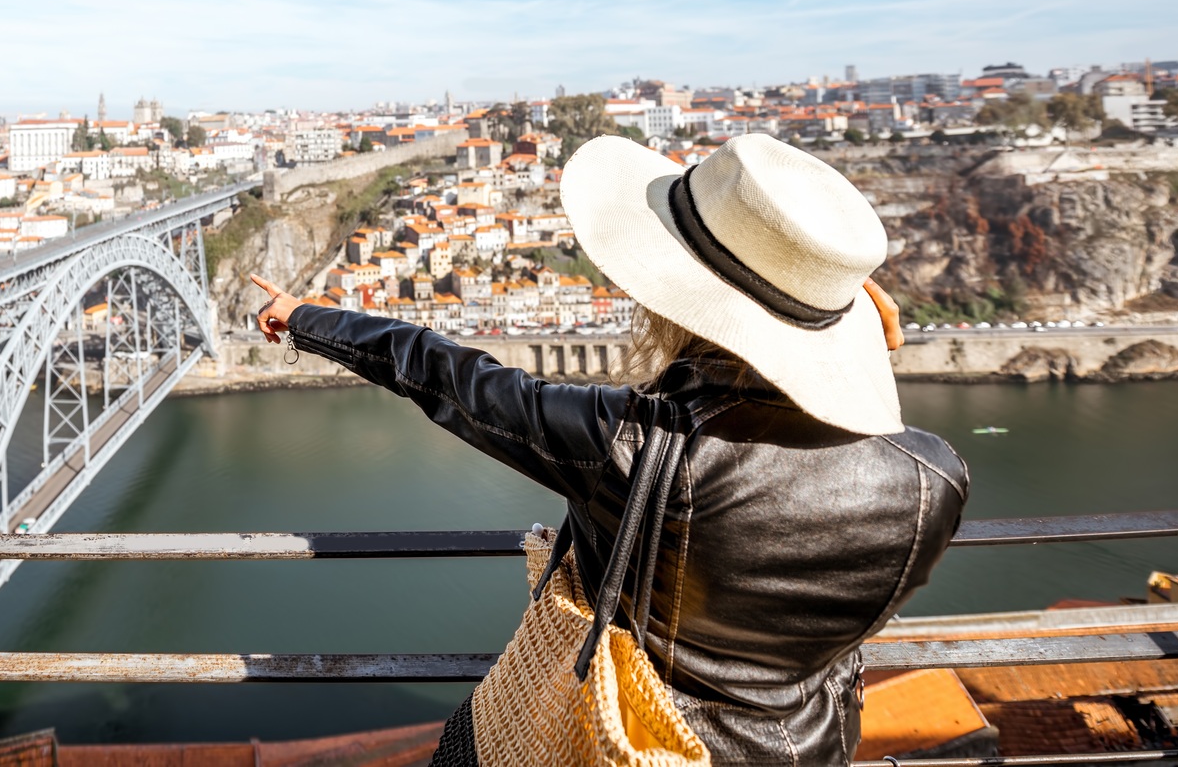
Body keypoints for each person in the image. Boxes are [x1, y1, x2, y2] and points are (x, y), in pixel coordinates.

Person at [251, 133, 967, 767]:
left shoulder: (637, 446)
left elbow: (452, 378)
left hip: (637, 740)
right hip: (814, 746)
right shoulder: (935, 478)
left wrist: (306, 320)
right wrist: (850, 351)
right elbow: (850, 430)